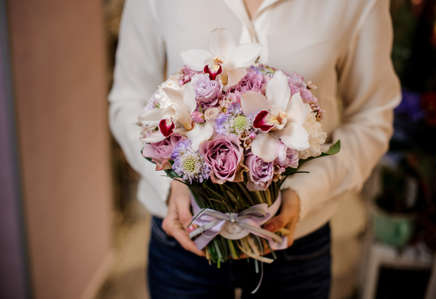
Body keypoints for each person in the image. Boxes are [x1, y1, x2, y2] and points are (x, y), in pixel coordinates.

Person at [108, 0, 401, 298]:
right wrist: (172, 183)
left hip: (297, 244)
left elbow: (373, 116)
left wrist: (306, 190)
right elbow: (128, 100)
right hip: (185, 236)